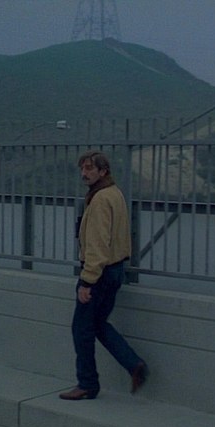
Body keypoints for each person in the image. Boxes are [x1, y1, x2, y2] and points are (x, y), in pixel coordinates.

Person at [59, 150, 148, 401]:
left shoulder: (99, 200)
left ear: (103, 171)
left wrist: (87, 281)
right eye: (82, 168)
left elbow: (98, 245)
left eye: (89, 168)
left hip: (99, 273)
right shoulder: (114, 193)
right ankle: (133, 364)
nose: (84, 173)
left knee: (81, 329)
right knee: (97, 323)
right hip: (115, 271)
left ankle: (87, 384)